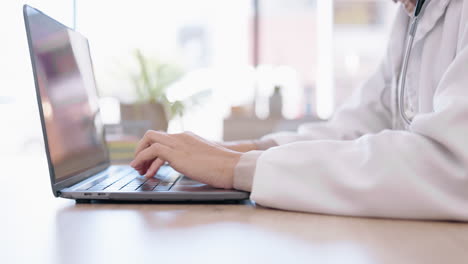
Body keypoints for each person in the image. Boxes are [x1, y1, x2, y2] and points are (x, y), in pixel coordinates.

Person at [130, 0, 468, 220]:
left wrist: (235, 167)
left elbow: (452, 166)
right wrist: (235, 151)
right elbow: (355, 128)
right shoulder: (413, 14)